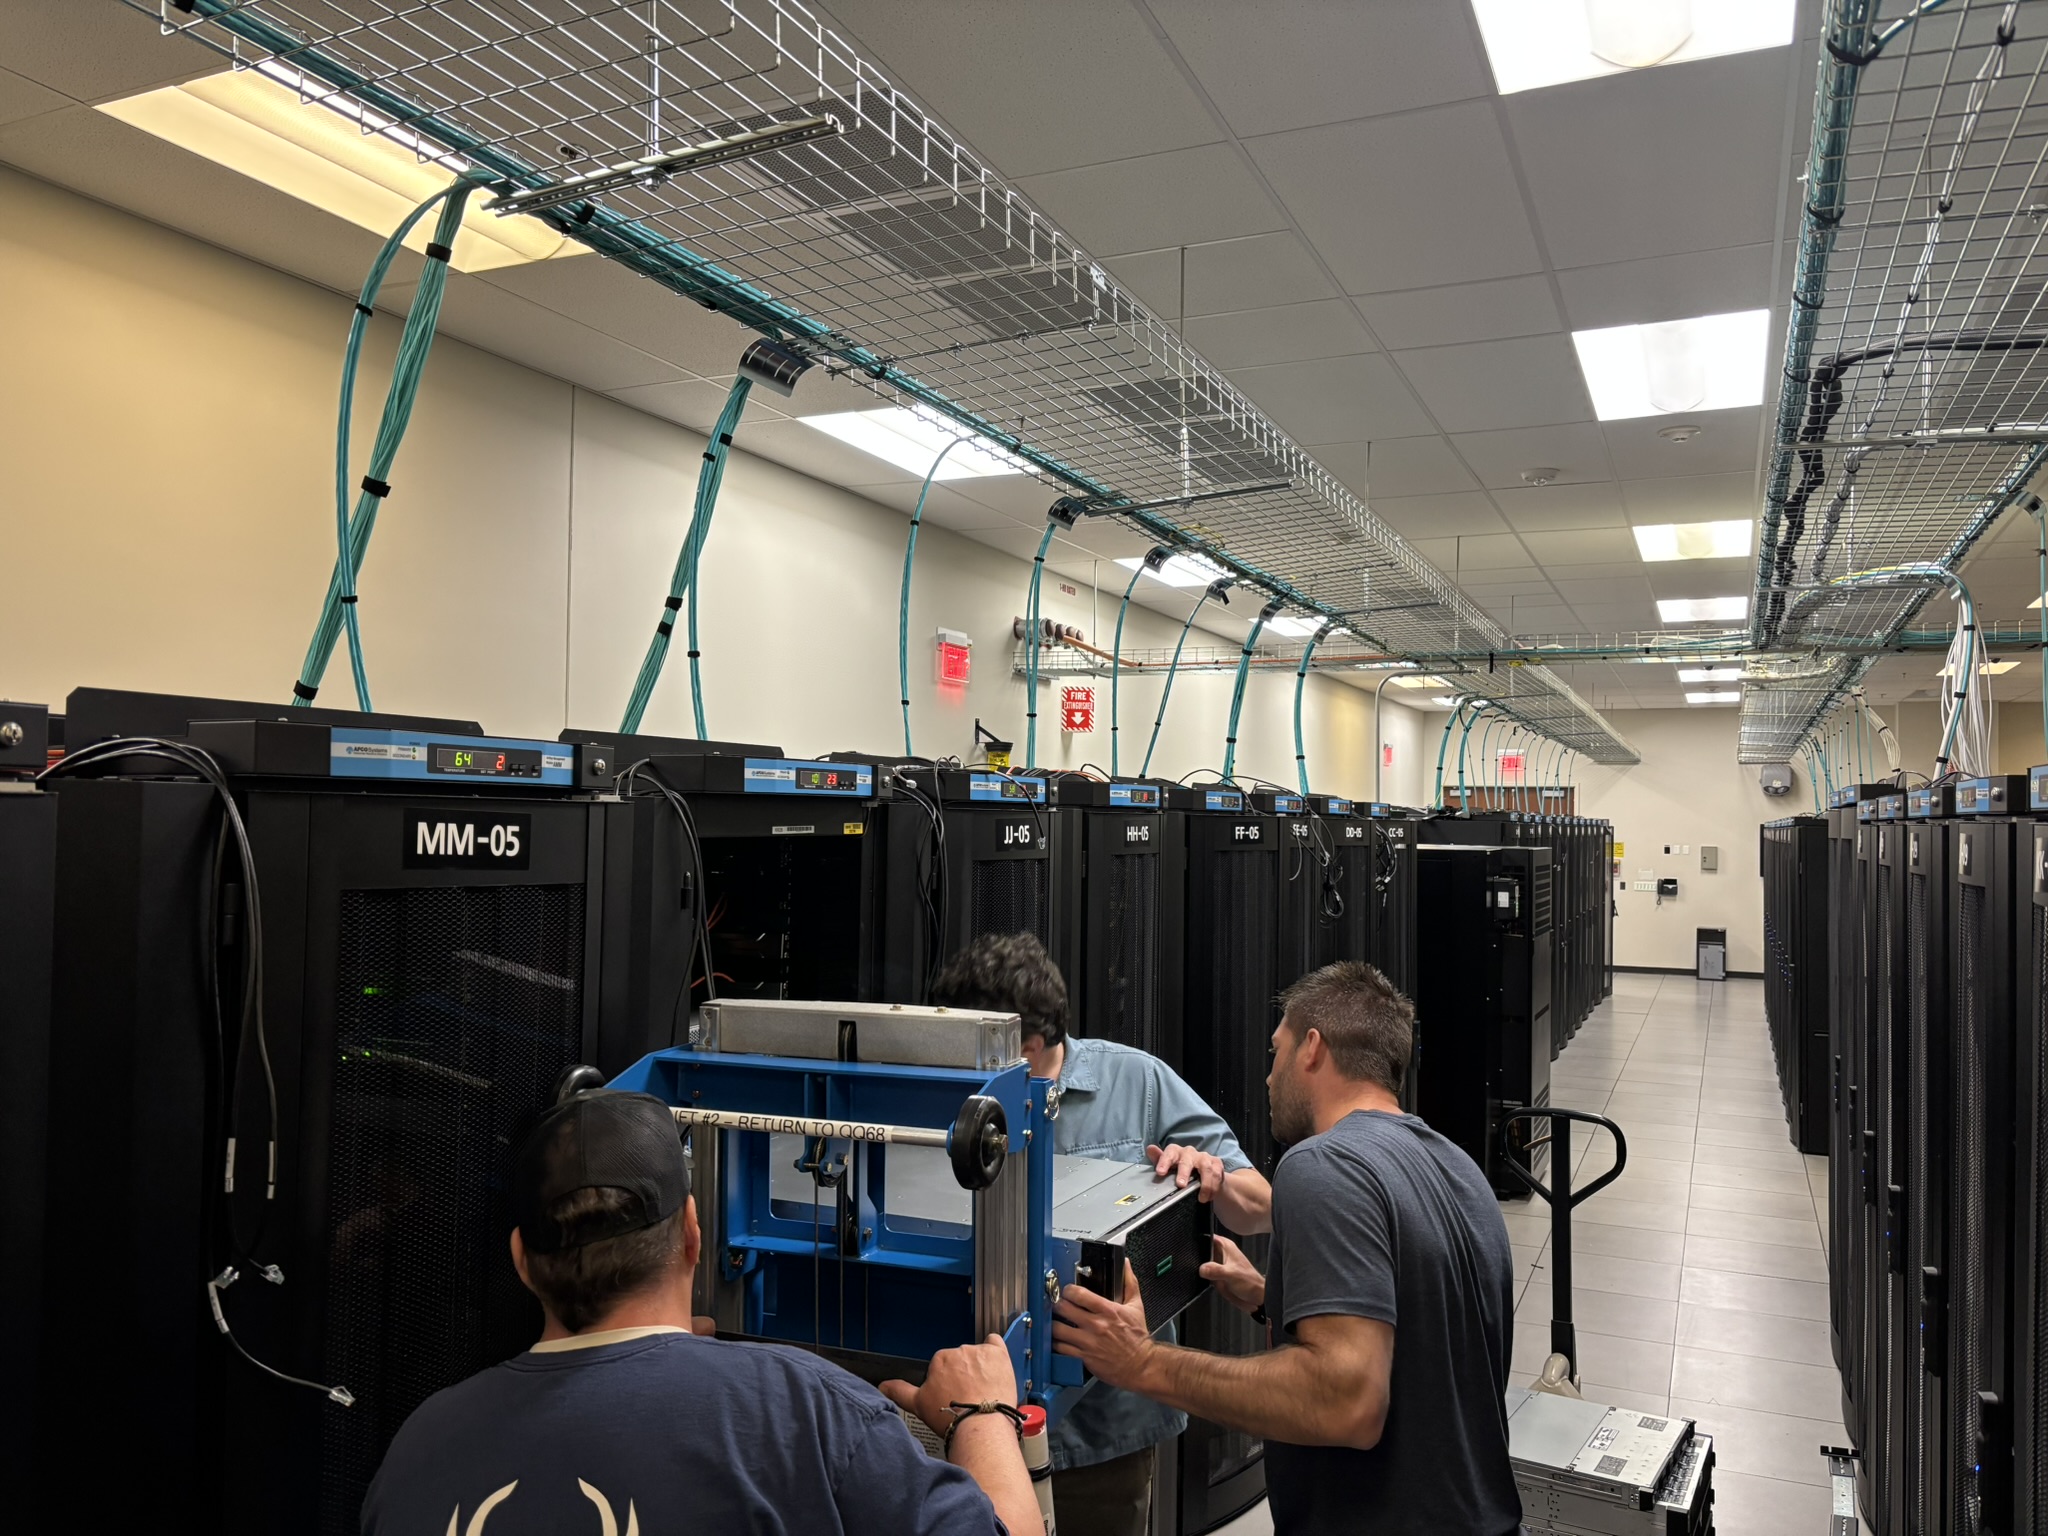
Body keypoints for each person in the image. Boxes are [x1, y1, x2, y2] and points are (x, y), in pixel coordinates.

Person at [362, 1089, 1039, 1536]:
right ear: (693, 1233)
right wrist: (980, 1418)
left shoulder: (421, 1447)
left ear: (520, 1259)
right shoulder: (803, 1412)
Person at [1050, 961, 1521, 1536]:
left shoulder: (1322, 1165)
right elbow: (1426, 1340)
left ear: (1312, 1048)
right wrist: (1270, 1301)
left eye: (1277, 1051)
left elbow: (1347, 1402)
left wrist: (1141, 1361)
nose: (1269, 1080)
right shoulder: (1457, 1166)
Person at [930, 933, 1272, 1536]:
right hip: (972, 1418)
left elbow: (1256, 1207)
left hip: (1101, 1435)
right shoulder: (950, 1090)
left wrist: (1211, 1176)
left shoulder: (1135, 1083)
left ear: (1029, 1045)